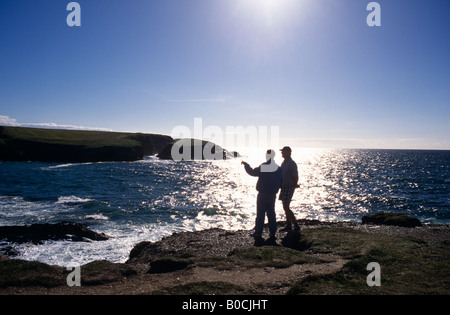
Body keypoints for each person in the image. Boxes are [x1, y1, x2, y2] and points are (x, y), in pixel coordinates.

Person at [242, 149, 282, 245]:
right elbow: (281, 181)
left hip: (263, 193)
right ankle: (272, 233)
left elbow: (253, 172)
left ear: (267, 156)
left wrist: (246, 166)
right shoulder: (278, 168)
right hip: (272, 194)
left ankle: (258, 233)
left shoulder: (265, 166)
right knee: (271, 213)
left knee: (260, 214)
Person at [279, 146, 300, 232]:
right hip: (284, 186)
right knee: (285, 206)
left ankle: (295, 224)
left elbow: (295, 176)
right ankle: (289, 224)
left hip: (289, 186)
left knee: (286, 206)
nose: (282, 153)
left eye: (283, 152)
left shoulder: (291, 163)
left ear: (288, 152)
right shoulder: (284, 163)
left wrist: (294, 184)